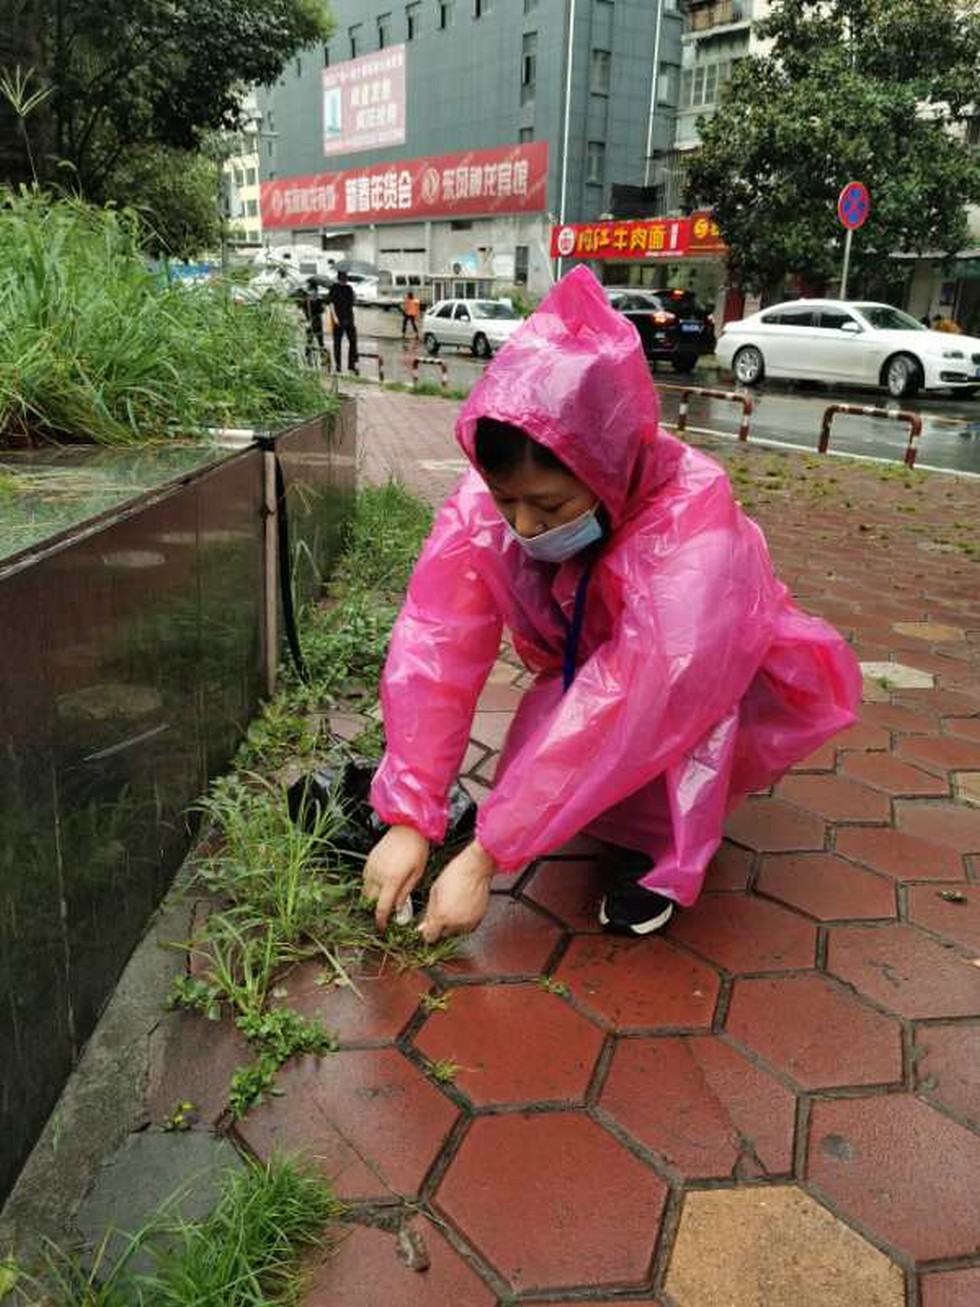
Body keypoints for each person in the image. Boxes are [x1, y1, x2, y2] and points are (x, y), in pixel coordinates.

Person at [363, 266, 861, 944]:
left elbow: (641, 690)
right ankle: (606, 810)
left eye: (549, 506)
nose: (525, 526)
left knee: (675, 741)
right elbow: (436, 639)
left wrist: (486, 856)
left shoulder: (692, 528)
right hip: (598, 655)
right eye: (507, 500)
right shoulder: (493, 501)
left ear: (605, 466)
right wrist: (410, 816)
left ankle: (661, 860)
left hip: (709, 679)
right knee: (569, 745)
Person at [326, 269, 358, 372]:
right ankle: (338, 366)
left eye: (346, 278)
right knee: (337, 343)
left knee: (353, 340)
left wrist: (354, 296)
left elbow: (353, 303)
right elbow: (331, 304)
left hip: (349, 318)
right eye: (343, 278)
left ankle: (351, 364)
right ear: (340, 278)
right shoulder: (334, 288)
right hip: (339, 318)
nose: (345, 280)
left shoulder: (349, 288)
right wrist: (334, 317)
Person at [301, 280, 326, 363]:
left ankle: (310, 358)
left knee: (313, 341)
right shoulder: (315, 301)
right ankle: (317, 358)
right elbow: (322, 310)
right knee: (317, 341)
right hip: (315, 323)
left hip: (312, 322)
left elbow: (304, 310)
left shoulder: (307, 301)